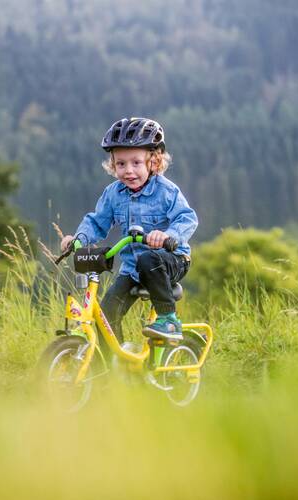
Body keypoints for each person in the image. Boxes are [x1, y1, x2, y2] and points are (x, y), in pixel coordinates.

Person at [60, 117, 198, 341]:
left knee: (149, 259)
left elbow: (187, 218)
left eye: (136, 163)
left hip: (172, 260)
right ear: (113, 164)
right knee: (106, 315)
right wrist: (77, 240)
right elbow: (97, 222)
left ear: (153, 162)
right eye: (121, 164)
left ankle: (169, 320)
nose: (128, 171)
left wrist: (167, 236)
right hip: (132, 268)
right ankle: (115, 368)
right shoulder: (113, 193)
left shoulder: (166, 191)